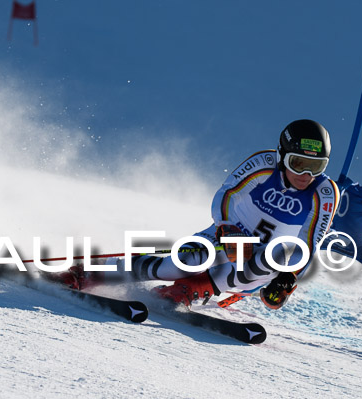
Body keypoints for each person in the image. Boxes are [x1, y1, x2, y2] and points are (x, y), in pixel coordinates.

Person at [64, 119, 340, 310]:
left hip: (258, 264)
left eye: (316, 167)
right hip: (225, 237)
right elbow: (226, 194)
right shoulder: (265, 164)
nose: (306, 175)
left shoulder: (324, 192)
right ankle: (89, 274)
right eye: (298, 164)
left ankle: (189, 290)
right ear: (282, 156)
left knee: (271, 259)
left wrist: (287, 278)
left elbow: (309, 243)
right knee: (177, 264)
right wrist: (226, 227)